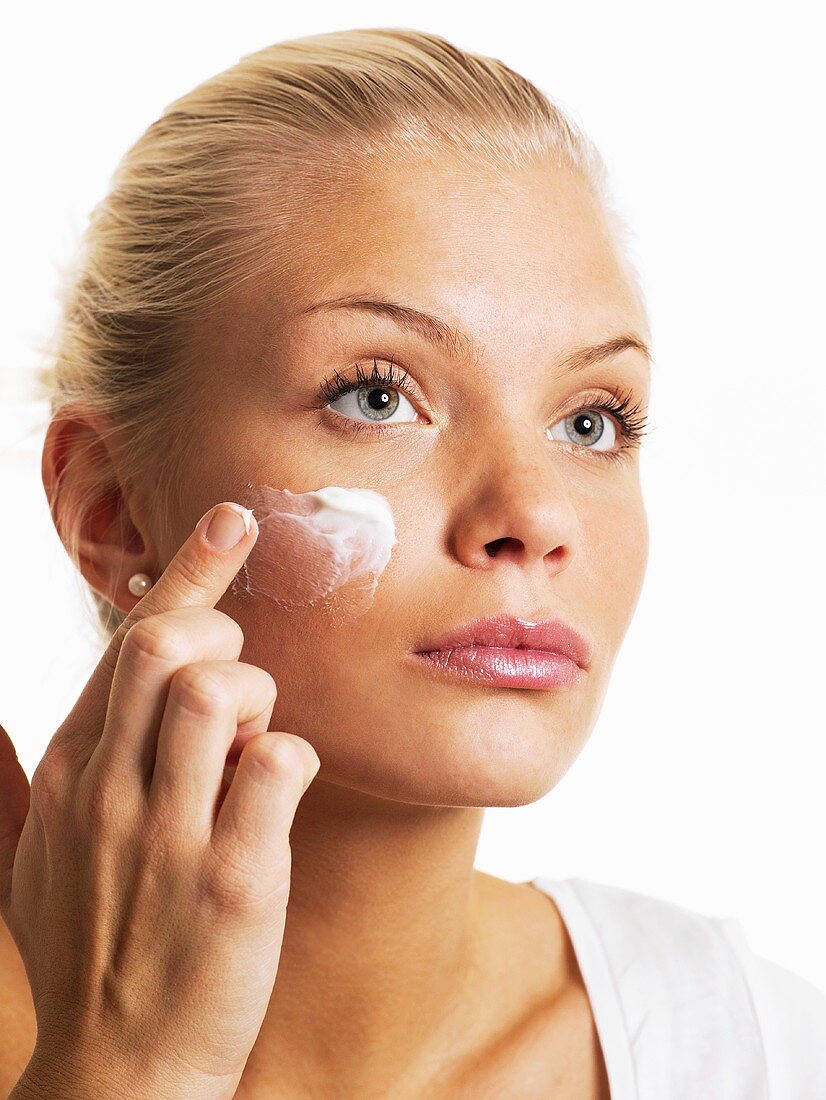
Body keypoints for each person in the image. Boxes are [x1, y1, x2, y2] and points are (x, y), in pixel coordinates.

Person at [1, 26, 824, 1100]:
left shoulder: (755, 1048)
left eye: (589, 421)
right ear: (109, 510)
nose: (532, 514)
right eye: (376, 395)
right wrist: (124, 1071)